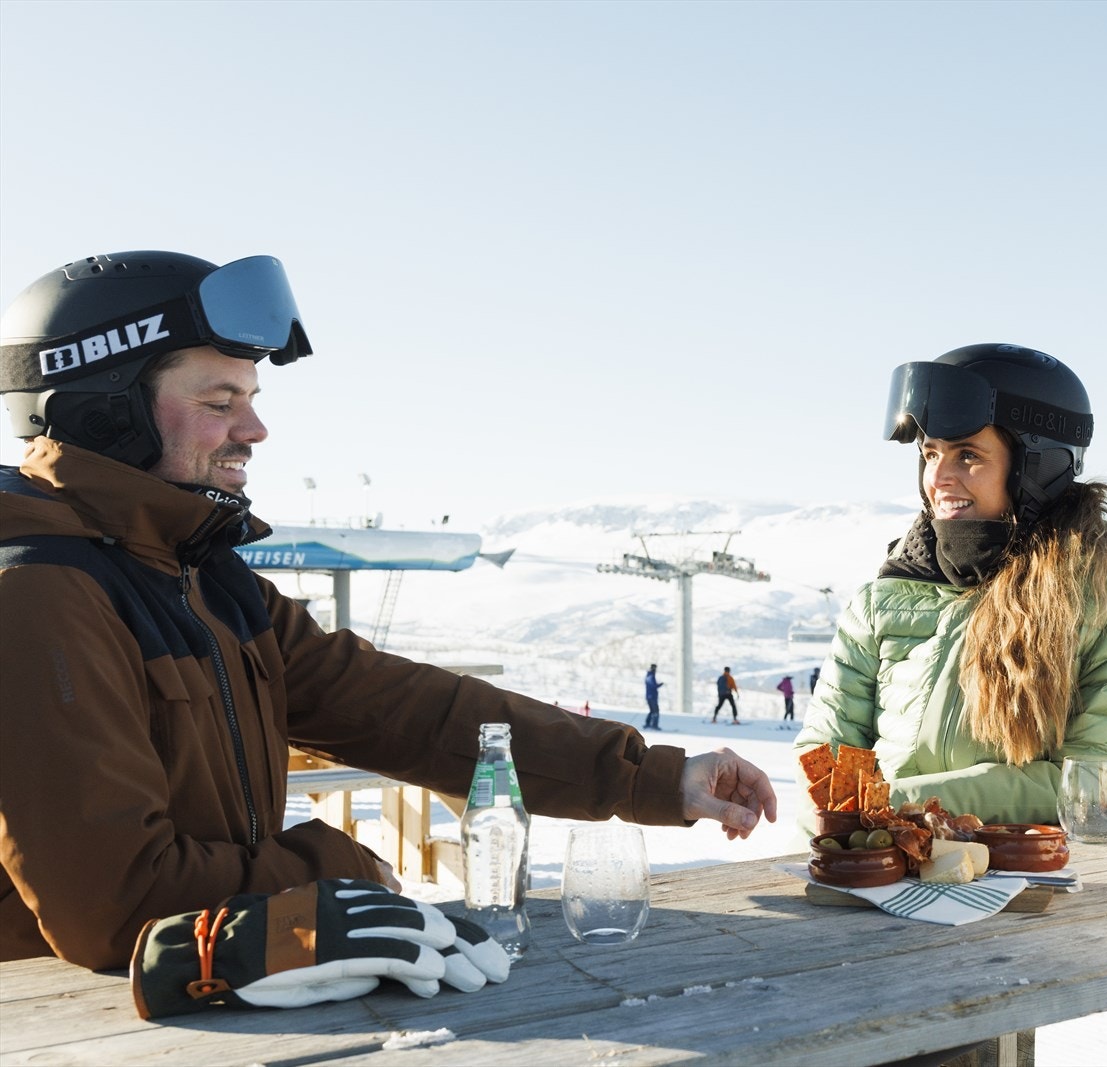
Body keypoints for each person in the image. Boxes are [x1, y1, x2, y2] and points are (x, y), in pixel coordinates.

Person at [0, 251, 779, 972]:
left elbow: (407, 711)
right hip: (65, 1024)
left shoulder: (205, 580)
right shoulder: (40, 593)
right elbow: (118, 900)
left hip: (212, 991)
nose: (254, 428)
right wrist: (344, 873)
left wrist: (655, 778)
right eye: (219, 400)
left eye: (252, 398)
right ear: (107, 417)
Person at [795, 343, 1107, 826]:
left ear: (1037, 467)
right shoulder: (887, 594)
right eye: (930, 453)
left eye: (968, 455)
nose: (938, 477)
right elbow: (825, 750)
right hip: (873, 869)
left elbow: (1091, 781)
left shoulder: (1102, 587)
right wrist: (855, 833)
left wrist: (894, 806)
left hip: (1016, 878)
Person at [643, 663, 661, 730]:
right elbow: (653, 686)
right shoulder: (651, 676)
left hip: (650, 696)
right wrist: (660, 685)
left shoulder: (649, 675)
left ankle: (648, 724)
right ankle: (654, 725)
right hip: (652, 697)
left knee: (652, 711)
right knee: (656, 711)